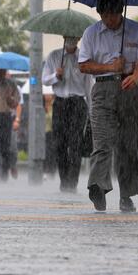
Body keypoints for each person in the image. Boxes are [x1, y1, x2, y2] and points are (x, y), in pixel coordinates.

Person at [79, 0, 138, 212]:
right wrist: (110, 67)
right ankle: (97, 187)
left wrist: (136, 75)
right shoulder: (91, 33)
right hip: (102, 90)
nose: (109, 20)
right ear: (99, 13)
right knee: (102, 143)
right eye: (104, 15)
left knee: (129, 145)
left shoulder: (137, 30)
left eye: (113, 15)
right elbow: (83, 65)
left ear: (121, 11)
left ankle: (127, 194)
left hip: (129, 89)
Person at [42, 36, 91, 192]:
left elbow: (89, 85)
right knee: (60, 144)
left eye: (74, 36)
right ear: (63, 37)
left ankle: (73, 183)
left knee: (75, 144)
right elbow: (44, 80)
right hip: (60, 103)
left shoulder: (84, 58)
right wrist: (55, 76)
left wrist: (91, 109)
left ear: (78, 38)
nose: (71, 39)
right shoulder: (54, 56)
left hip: (78, 103)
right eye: (68, 36)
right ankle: (64, 181)